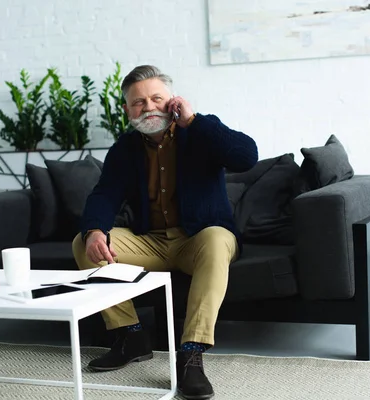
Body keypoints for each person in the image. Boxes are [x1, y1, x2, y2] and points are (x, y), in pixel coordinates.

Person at [72, 65, 258, 399]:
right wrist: (95, 230)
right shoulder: (124, 149)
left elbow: (247, 156)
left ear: (171, 100)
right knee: (85, 242)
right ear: (128, 110)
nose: (148, 107)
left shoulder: (200, 132)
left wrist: (194, 121)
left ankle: (191, 355)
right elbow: (104, 195)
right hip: (152, 242)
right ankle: (131, 336)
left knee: (216, 240)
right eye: (138, 102)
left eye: (156, 97)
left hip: (201, 239)